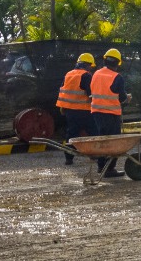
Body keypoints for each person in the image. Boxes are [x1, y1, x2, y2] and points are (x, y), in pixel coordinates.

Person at [90, 48, 131, 178]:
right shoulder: (116, 77)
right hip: (111, 114)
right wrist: (127, 98)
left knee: (103, 140)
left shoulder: (96, 74)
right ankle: (109, 169)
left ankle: (101, 167)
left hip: (97, 113)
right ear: (118, 63)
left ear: (105, 59)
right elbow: (121, 98)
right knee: (114, 142)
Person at [56, 52, 96, 166]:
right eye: (90, 66)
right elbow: (91, 94)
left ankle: (68, 158)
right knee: (94, 132)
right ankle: (96, 155)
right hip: (84, 110)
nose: (90, 69)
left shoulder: (68, 74)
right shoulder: (86, 76)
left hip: (70, 110)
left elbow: (62, 91)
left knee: (72, 134)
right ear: (88, 65)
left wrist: (63, 107)